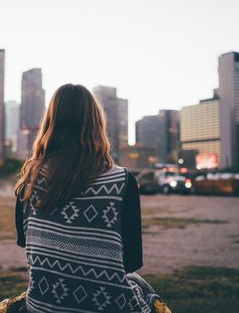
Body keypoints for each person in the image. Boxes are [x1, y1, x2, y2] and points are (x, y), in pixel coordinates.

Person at [14, 84, 171, 313]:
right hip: (110, 307)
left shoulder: (29, 181)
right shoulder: (123, 181)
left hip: (42, 307)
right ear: (97, 125)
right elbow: (131, 263)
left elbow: (25, 243)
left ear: (50, 123)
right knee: (140, 284)